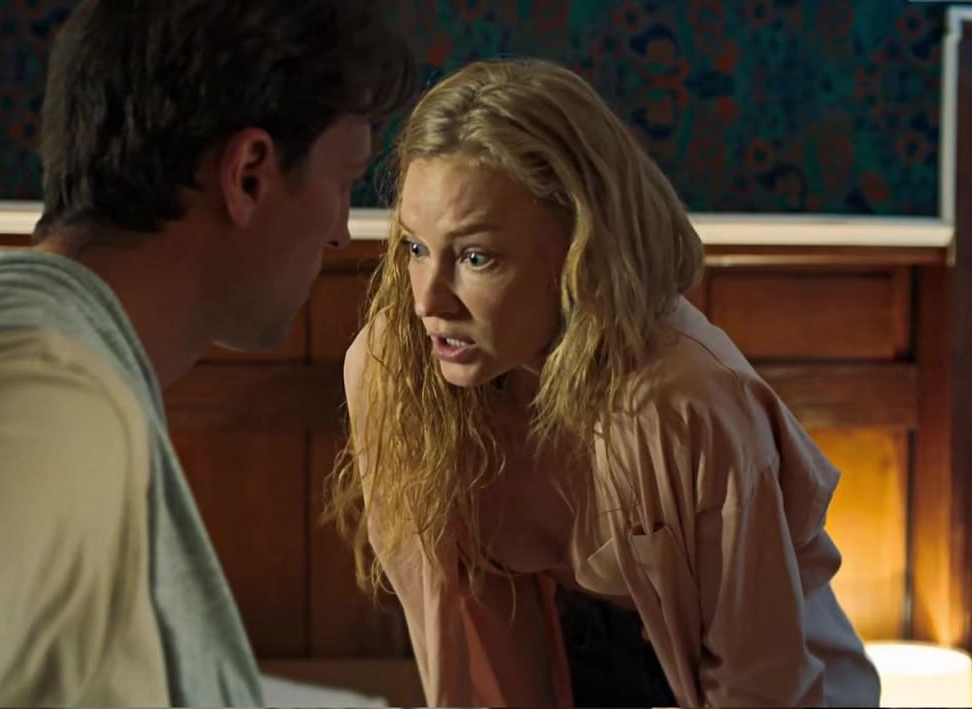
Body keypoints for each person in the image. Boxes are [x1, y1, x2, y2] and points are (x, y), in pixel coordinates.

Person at [329, 58, 881, 707]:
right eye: (416, 248)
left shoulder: (686, 398)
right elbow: (460, 651)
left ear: (579, 250)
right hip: (580, 665)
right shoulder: (394, 369)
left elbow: (760, 684)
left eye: (476, 257)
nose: (429, 300)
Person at [0, 0, 415, 705]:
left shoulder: (4, 321)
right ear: (248, 175)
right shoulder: (41, 403)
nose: (341, 234)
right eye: (344, 182)